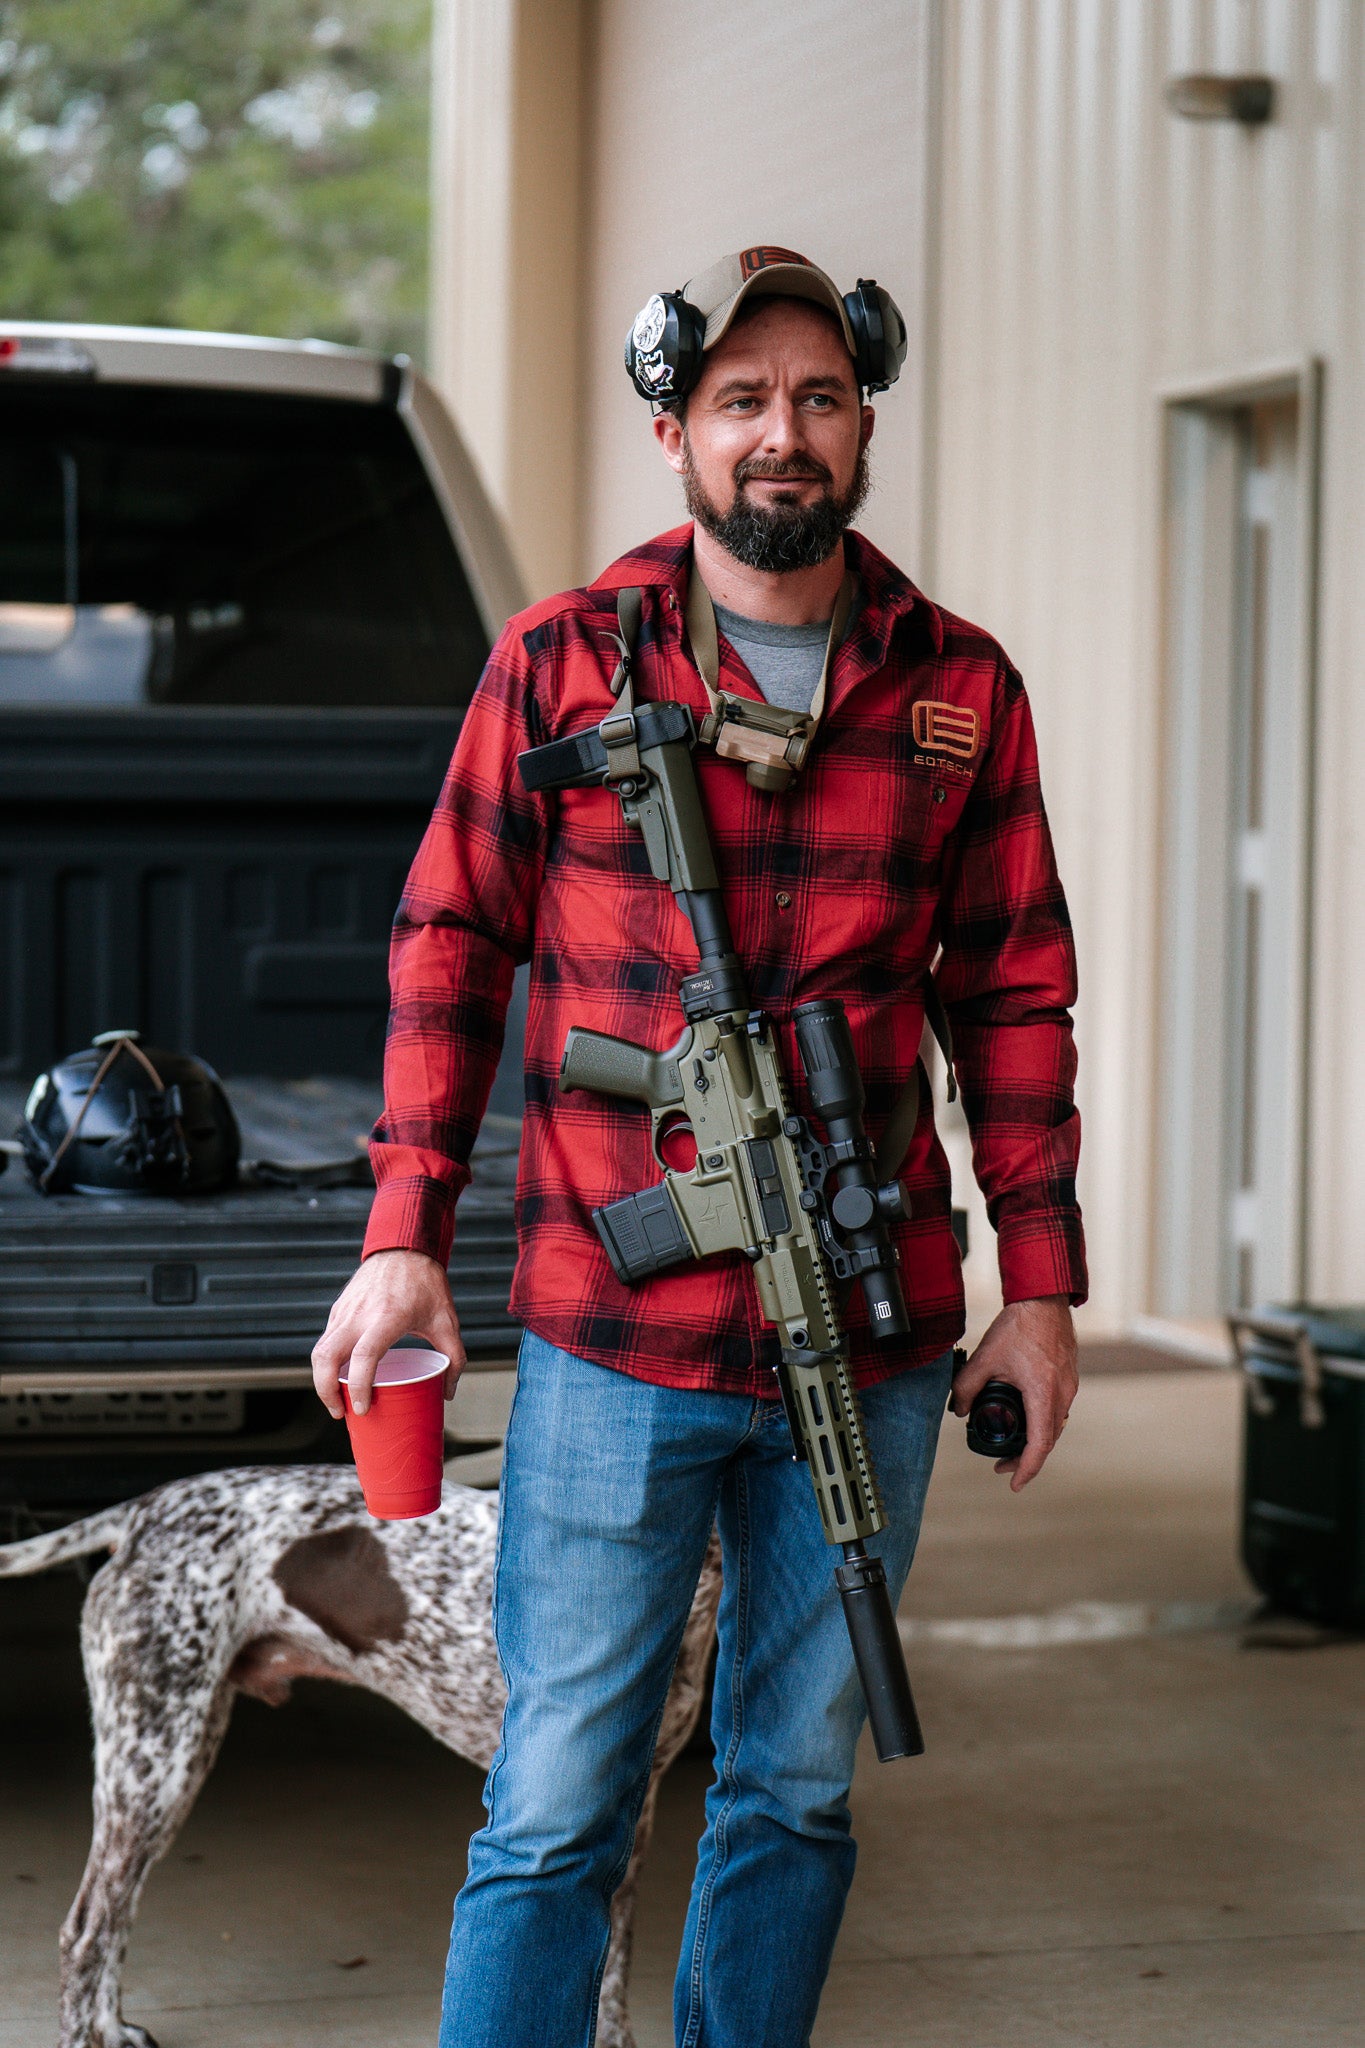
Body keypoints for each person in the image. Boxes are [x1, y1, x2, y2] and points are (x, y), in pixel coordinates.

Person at [313, 246, 1086, 2048]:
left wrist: (1038, 1292)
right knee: (561, 1799)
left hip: (878, 1325)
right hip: (613, 1325)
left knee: (794, 1790)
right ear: (673, 435)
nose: (781, 434)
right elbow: (450, 941)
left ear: (864, 419)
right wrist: (401, 1225)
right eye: (741, 401)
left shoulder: (956, 686)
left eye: (816, 395)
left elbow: (1016, 997)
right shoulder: (561, 664)